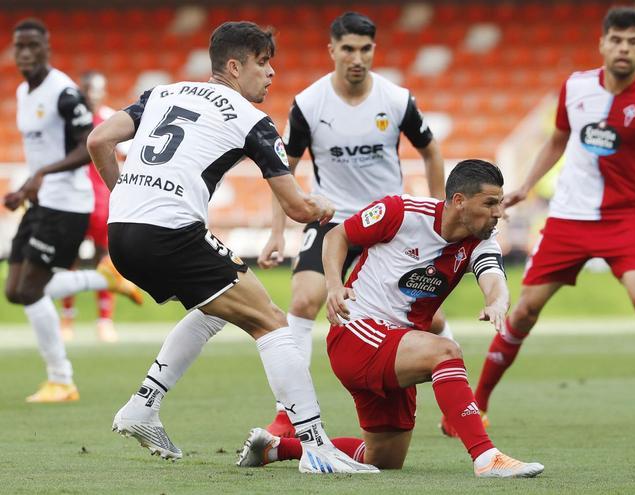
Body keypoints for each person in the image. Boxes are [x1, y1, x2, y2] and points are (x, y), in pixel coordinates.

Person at [87, 21, 377, 473]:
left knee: (211, 311)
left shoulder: (162, 94)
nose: (271, 73)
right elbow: (297, 208)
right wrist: (321, 205)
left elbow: (99, 139)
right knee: (272, 323)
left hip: (122, 231)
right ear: (235, 66)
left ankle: (144, 407)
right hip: (169, 233)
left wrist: (123, 196)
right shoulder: (252, 121)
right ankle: (316, 446)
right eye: (263, 64)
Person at [465, 7, 635, 434]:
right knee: (523, 312)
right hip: (568, 219)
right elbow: (557, 139)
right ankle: (477, 405)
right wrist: (528, 185)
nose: (623, 48)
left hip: (623, 220)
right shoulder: (575, 87)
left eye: (632, 41)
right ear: (603, 43)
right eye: (616, 40)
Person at [236, 160, 543, 478]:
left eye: (500, 203)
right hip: (356, 333)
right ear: (459, 201)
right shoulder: (402, 212)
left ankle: (276, 447)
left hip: (398, 347)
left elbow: (494, 280)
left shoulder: (481, 242)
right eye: (490, 203)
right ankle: (486, 457)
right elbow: (336, 237)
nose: (498, 213)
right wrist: (334, 287)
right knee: (445, 351)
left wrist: (496, 302)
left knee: (382, 458)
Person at [257, 11, 448, 438]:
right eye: (348, 49)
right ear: (333, 51)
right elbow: (281, 170)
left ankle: (453, 398)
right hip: (334, 219)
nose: (356, 58)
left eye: (365, 49)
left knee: (429, 320)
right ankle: (288, 414)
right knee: (305, 299)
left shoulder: (396, 99)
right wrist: (277, 232)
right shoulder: (309, 103)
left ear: (373, 50)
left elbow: (432, 152)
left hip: (389, 225)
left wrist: (436, 216)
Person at [4, 18, 141, 404]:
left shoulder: (65, 93)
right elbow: (43, 150)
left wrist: (42, 174)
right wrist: (26, 186)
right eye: (19, 47)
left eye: (33, 46)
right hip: (41, 200)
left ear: (47, 49)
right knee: (15, 290)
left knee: (31, 291)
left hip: (67, 205)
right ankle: (104, 279)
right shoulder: (22, 92)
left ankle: (61, 380)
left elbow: (90, 146)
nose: (25, 53)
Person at [59, 71, 123, 343]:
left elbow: (128, 156)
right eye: (87, 89)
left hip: (102, 203)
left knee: (105, 261)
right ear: (80, 90)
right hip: (73, 201)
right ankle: (67, 319)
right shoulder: (68, 122)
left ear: (104, 92)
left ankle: (104, 320)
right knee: (68, 261)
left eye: (97, 89)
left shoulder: (112, 119)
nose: (92, 94)